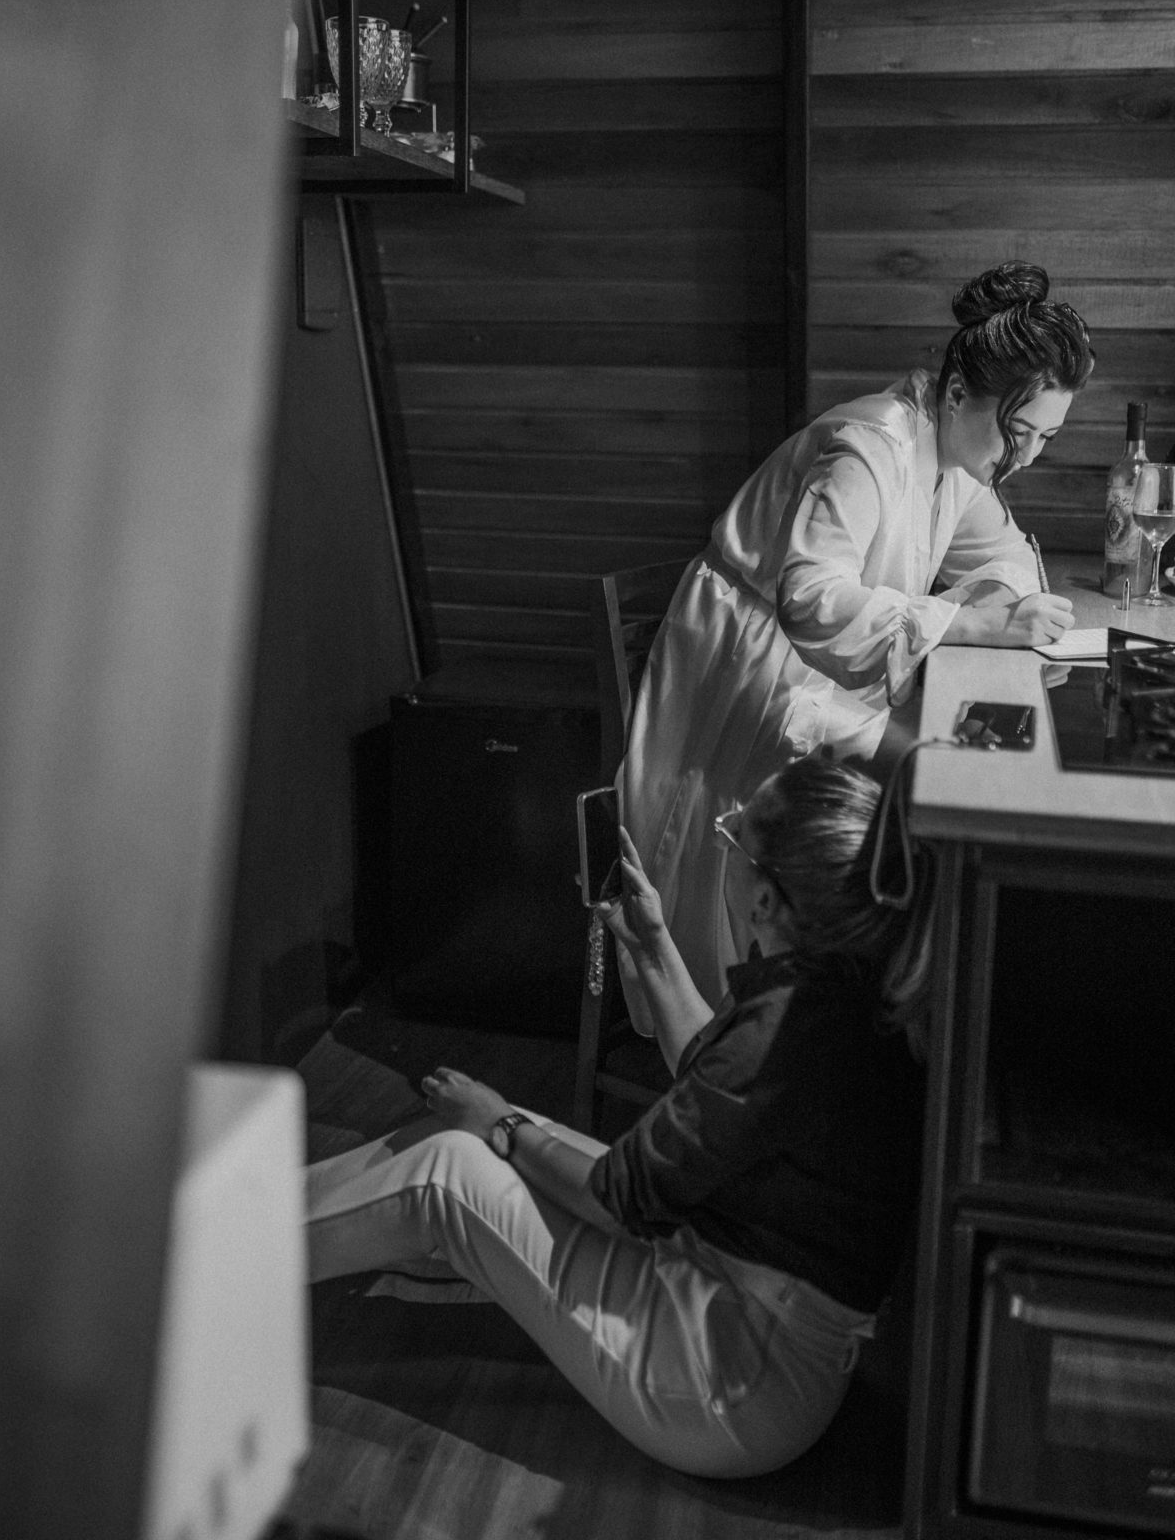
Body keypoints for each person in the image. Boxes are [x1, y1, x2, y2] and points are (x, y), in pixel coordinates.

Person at [305, 757, 930, 1480]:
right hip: (758, 1326)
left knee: (450, 1170)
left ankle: (217, 1253)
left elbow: (616, 1199)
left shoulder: (780, 1035)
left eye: (732, 835)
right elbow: (718, 1091)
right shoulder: (842, 989)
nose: (723, 842)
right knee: (464, 1136)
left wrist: (502, 1124)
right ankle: (272, 1214)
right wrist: (652, 944)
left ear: (765, 899)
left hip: (736, 1384)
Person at [622, 259, 1094, 1010]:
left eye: (1046, 436)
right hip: (756, 657)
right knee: (927, 771)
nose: (1027, 456)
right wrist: (971, 621)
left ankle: (855, 983)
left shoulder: (957, 460)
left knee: (942, 760)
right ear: (958, 393)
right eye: (1018, 431)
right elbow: (810, 600)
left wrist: (1007, 602)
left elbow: (1005, 554)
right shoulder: (870, 446)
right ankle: (779, 1004)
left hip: (822, 662)